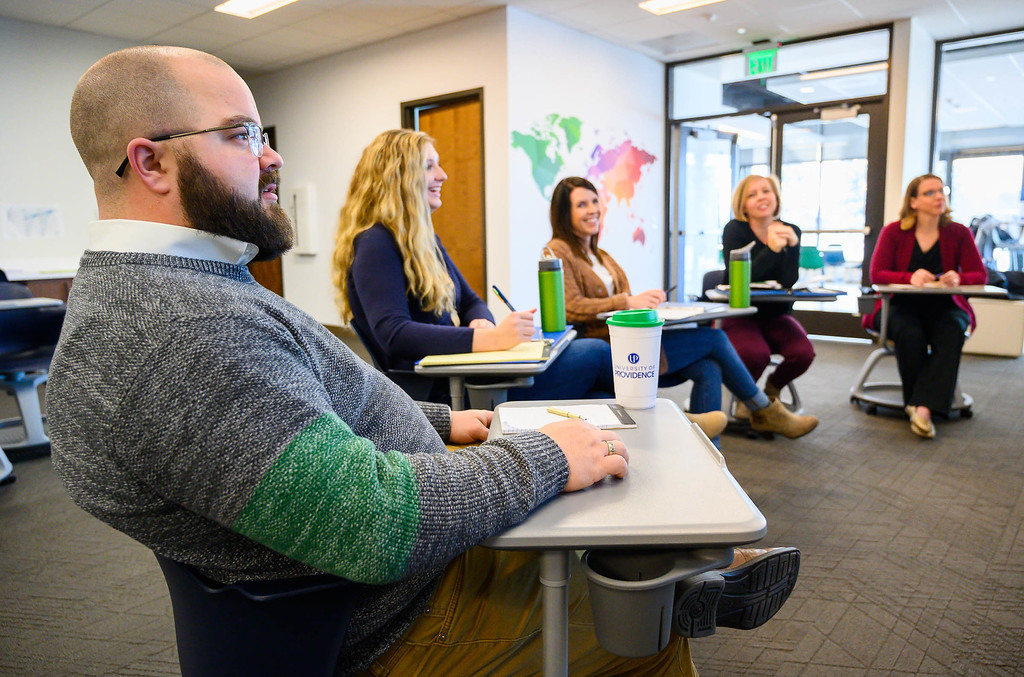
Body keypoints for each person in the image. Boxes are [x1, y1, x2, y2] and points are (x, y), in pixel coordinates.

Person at [49, 46, 797, 676]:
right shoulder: (179, 334)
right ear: (149, 161)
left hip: (390, 559)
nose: (273, 153)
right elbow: (377, 524)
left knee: (614, 527)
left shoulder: (181, 291)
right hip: (399, 610)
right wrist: (542, 457)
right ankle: (683, 590)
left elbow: (303, 405)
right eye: (245, 134)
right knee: (638, 624)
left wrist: (437, 419)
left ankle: (691, 572)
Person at [333, 129, 616, 404]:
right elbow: (395, 334)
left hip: (464, 376)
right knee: (597, 353)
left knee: (598, 398)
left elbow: (471, 301)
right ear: (398, 175)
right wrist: (487, 338)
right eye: (429, 166)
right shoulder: (375, 242)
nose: (442, 175)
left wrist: (480, 322)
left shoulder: (423, 240)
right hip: (442, 393)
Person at [546, 176, 818, 441]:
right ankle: (763, 410)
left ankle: (709, 456)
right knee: (715, 339)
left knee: (708, 366)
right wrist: (627, 302)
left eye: (595, 201)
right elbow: (571, 306)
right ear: (563, 213)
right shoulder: (557, 250)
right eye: (582, 204)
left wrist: (647, 304)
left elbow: (624, 301)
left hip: (632, 343)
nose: (593, 209)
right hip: (611, 349)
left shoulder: (601, 255)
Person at [863, 173, 986, 438]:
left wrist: (959, 278)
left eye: (942, 191)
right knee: (910, 333)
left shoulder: (959, 232)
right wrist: (909, 277)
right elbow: (877, 274)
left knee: (952, 328)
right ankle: (924, 404)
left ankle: (921, 409)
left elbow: (980, 276)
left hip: (945, 305)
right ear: (914, 201)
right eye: (930, 192)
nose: (939, 196)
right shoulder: (894, 231)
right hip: (901, 306)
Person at [722, 175, 817, 419]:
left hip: (776, 315)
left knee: (804, 353)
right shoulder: (734, 230)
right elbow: (740, 278)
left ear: (776, 197)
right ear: (743, 205)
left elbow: (788, 280)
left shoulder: (790, 230)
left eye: (766, 191)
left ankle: (771, 390)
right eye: (752, 194)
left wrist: (791, 248)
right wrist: (772, 249)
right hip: (740, 314)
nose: (761, 197)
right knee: (756, 354)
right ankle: (748, 398)